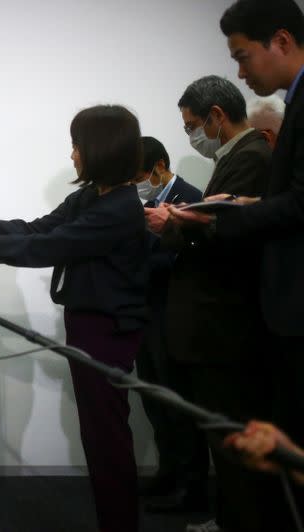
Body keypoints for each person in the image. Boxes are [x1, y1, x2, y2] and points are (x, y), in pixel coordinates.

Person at [0, 104, 147, 532]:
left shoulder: (121, 208)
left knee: (107, 438)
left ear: (100, 148)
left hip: (107, 331)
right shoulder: (93, 195)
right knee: (97, 436)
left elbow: (50, 247)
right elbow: (39, 229)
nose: (72, 155)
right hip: (87, 325)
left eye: (76, 145)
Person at [168, 1, 304, 524]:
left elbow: (276, 222)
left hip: (235, 330)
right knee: (228, 456)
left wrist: (194, 222)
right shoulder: (241, 158)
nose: (242, 74)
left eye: (244, 58)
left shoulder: (253, 156)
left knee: (243, 458)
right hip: (225, 330)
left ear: (283, 41)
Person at [166, 75, 272, 532]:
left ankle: (241, 521)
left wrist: (180, 224)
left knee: (231, 433)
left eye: (193, 125)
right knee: (220, 434)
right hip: (212, 325)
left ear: (215, 116)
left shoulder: (252, 156)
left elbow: (232, 237)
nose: (192, 136)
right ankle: (231, 516)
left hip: (225, 326)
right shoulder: (234, 157)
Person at [134, 137, 209, 514]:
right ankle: (167, 472)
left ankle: (192, 486)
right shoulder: (145, 204)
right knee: (154, 401)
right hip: (146, 318)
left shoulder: (190, 199)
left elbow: (184, 261)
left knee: (179, 404)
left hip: (175, 317)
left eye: (141, 174)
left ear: (160, 166)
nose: (138, 182)